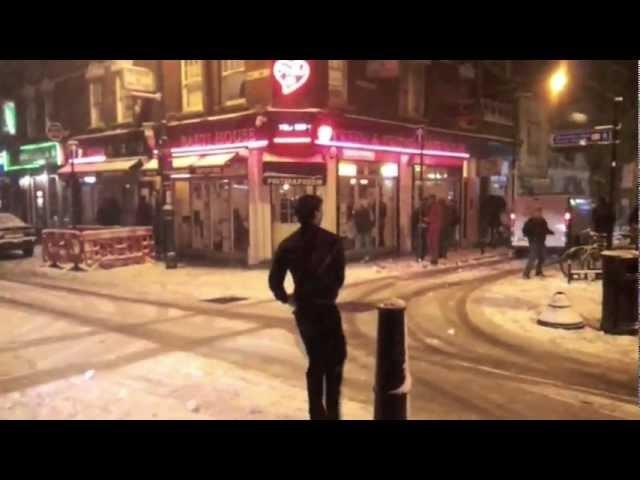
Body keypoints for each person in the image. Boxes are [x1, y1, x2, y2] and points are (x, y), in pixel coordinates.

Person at [268, 195, 347, 420]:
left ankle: (316, 413)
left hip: (304, 310)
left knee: (316, 360)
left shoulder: (287, 245)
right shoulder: (332, 242)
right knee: (335, 359)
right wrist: (327, 291)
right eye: (320, 210)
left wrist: (287, 298)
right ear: (315, 213)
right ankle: (332, 411)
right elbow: (338, 279)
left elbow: (275, 281)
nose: (322, 214)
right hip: (326, 309)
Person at [522, 207, 554, 279]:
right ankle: (526, 274)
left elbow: (545, 229)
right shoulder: (530, 222)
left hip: (541, 241)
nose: (539, 214)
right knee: (532, 258)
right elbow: (525, 230)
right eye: (537, 212)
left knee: (542, 257)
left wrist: (550, 232)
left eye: (540, 212)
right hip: (534, 241)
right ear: (534, 213)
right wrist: (529, 234)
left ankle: (538, 271)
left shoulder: (543, 221)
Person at [427, 195, 443, 265]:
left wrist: (428, 219)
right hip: (433, 226)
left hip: (435, 226)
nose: (429, 201)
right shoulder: (432, 206)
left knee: (434, 243)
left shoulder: (436, 207)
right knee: (431, 242)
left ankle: (434, 258)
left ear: (433, 199)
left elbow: (435, 217)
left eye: (430, 199)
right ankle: (433, 258)